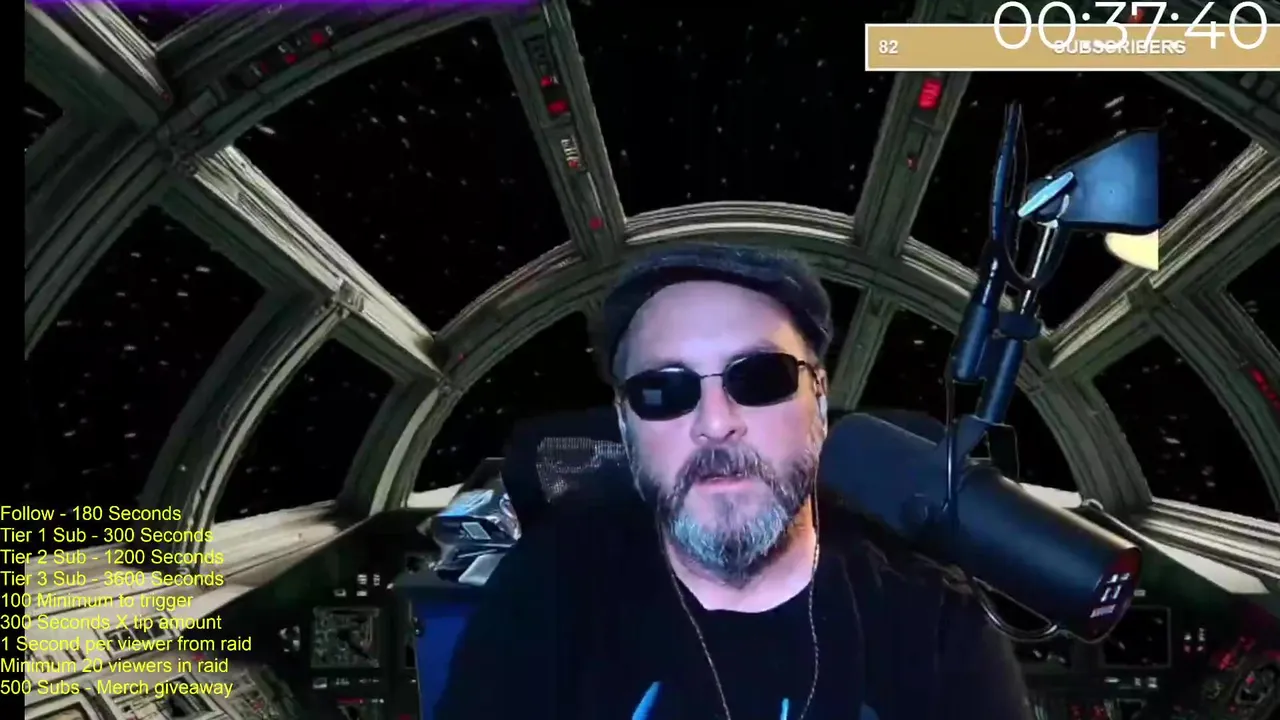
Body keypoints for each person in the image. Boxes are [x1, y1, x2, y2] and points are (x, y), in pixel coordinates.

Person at [435, 243, 1032, 720]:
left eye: (761, 377)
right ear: (625, 424)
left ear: (820, 401)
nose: (716, 423)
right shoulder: (547, 594)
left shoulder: (935, 625)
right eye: (663, 390)